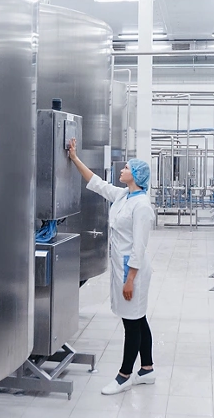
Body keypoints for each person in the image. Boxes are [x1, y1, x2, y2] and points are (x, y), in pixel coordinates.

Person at [66, 138, 156, 395]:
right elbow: (97, 183)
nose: (122, 169)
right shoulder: (125, 196)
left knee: (131, 323)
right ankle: (147, 369)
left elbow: (139, 247)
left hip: (132, 272)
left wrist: (130, 280)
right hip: (124, 268)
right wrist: (74, 158)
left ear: (136, 175)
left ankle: (124, 375)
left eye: (127, 168)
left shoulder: (141, 206)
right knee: (138, 319)